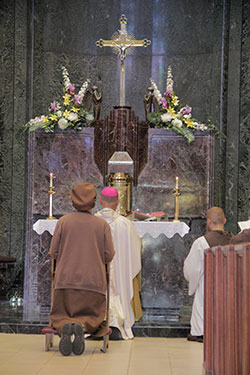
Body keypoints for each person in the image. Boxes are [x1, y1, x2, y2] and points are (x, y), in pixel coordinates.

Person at [49, 182, 115, 356]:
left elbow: (53, 252)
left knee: (61, 313)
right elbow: (109, 255)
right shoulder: (102, 225)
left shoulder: (63, 222)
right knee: (93, 315)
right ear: (94, 201)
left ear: (73, 200)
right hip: (93, 282)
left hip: (65, 281)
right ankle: (84, 325)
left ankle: (65, 325)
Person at [96, 186, 142, 340]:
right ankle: (118, 323)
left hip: (96, 274)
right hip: (120, 274)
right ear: (117, 203)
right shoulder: (126, 224)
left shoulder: (92, 222)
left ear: (100, 201)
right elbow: (135, 254)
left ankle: (96, 322)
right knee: (119, 287)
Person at [183, 207, 233, 342]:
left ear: (209, 222)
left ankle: (202, 331)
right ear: (225, 221)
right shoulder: (235, 241)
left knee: (202, 298)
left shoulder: (201, 242)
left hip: (209, 288)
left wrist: (193, 282)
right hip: (231, 289)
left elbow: (192, 270)